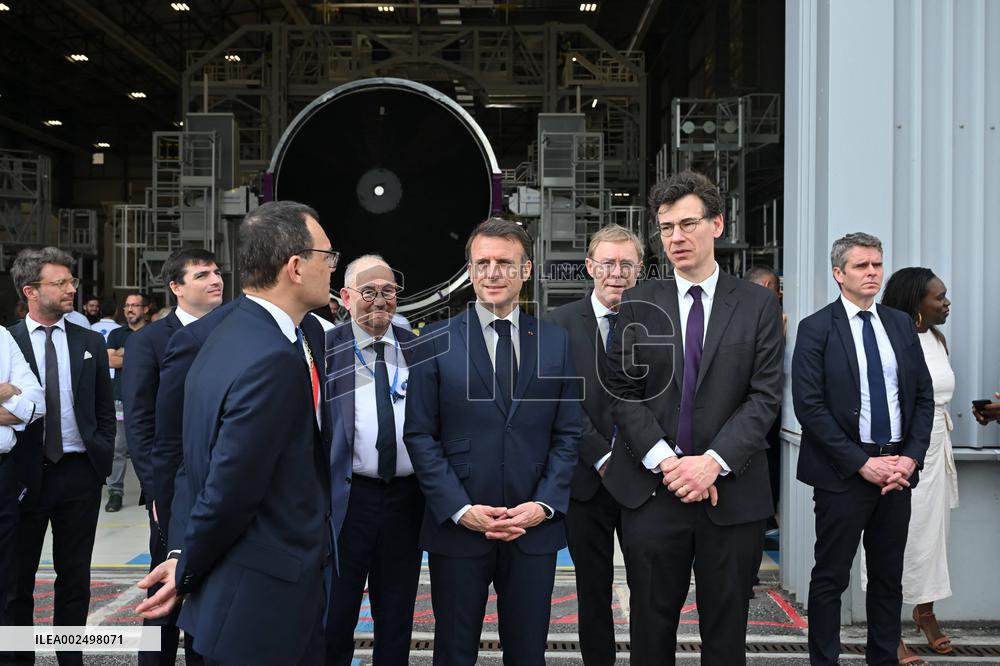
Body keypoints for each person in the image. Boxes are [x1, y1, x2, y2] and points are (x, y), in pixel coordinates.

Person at [135, 201, 336, 665]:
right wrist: (185, 563)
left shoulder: (238, 335)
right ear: (295, 266)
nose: (332, 268)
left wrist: (186, 557)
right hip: (262, 595)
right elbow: (226, 483)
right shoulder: (269, 357)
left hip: (251, 583)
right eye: (327, 256)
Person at [602, 171, 783, 666]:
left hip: (733, 492)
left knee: (726, 634)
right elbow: (622, 391)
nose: (675, 238)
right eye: (665, 228)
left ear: (717, 224)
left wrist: (712, 462)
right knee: (650, 630)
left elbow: (765, 397)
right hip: (654, 492)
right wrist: (668, 462)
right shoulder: (639, 302)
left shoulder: (758, 305)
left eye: (687, 224)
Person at [404, 217, 581, 665]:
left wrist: (543, 505)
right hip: (460, 528)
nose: (492, 273)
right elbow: (420, 434)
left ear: (525, 271)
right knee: (453, 652)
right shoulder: (435, 341)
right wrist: (461, 510)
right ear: (470, 270)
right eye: (481, 263)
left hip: (531, 528)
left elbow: (567, 433)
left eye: (504, 262)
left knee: (527, 654)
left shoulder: (556, 343)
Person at [792, 232, 934, 666]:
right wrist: (862, 464)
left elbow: (922, 396)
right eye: (861, 266)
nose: (872, 272)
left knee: (889, 579)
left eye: (877, 264)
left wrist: (908, 458)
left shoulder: (898, 323)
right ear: (839, 274)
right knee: (831, 577)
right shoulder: (816, 328)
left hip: (897, 471)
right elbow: (809, 408)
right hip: (842, 475)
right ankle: (824, 660)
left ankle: (883, 659)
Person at [5, 247, 116, 666]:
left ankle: (71, 659)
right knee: (17, 580)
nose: (72, 288)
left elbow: (104, 409)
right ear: (31, 291)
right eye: (61, 283)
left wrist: (99, 459)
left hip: (78, 474)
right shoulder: (7, 341)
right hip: (21, 474)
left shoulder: (89, 340)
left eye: (72, 281)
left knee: (75, 579)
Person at [544, 223, 643, 666]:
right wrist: (602, 455)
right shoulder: (558, 325)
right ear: (590, 267)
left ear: (640, 269)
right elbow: (559, 401)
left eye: (626, 264)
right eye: (607, 263)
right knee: (592, 589)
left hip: (646, 480)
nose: (616, 272)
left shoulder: (659, 322)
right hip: (587, 481)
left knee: (651, 590)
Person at [123, 249, 222, 665]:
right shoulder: (149, 341)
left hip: (220, 480)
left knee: (210, 597)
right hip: (172, 490)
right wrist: (160, 493)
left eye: (217, 272)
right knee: (165, 601)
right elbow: (140, 421)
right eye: (202, 275)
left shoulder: (230, 332)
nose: (215, 279)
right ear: (176, 288)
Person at [325, 255, 425, 665]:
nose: (379, 301)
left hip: (406, 501)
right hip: (348, 502)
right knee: (335, 615)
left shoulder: (419, 349)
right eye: (368, 292)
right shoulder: (325, 349)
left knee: (397, 616)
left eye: (388, 291)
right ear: (346, 297)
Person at [876, 268, 957, 663]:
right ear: (916, 303)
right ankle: (888, 630)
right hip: (905, 451)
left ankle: (925, 612)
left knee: (931, 538)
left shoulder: (937, 339)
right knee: (899, 541)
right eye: (938, 297)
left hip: (938, 447)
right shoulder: (893, 338)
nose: (946, 303)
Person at [0, 328, 45, 627]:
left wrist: (17, 395)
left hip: (3, 474)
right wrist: (5, 391)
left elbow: (37, 405)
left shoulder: (1, 337)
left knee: (5, 578)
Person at [744, 265, 785, 529]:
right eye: (775, 288)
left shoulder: (782, 320)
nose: (779, 295)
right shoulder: (745, 321)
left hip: (774, 411)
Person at [104, 292, 148, 512]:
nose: (130, 309)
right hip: (120, 398)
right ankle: (115, 493)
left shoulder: (154, 332)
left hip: (150, 400)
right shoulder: (116, 334)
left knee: (149, 446)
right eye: (127, 306)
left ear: (145, 309)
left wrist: (125, 354)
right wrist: (139, 356)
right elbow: (109, 361)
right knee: (118, 448)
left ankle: (149, 489)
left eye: (135, 305)